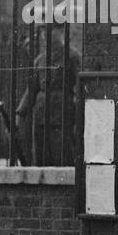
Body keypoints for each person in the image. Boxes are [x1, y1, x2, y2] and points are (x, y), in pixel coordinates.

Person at [15, 26, 81, 166]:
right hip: (41, 112)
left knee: (61, 153)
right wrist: (21, 112)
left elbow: (80, 85)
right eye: (44, 31)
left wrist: (78, 108)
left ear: (61, 31)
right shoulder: (40, 60)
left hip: (62, 111)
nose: (46, 34)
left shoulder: (72, 56)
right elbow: (32, 89)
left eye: (51, 30)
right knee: (40, 154)